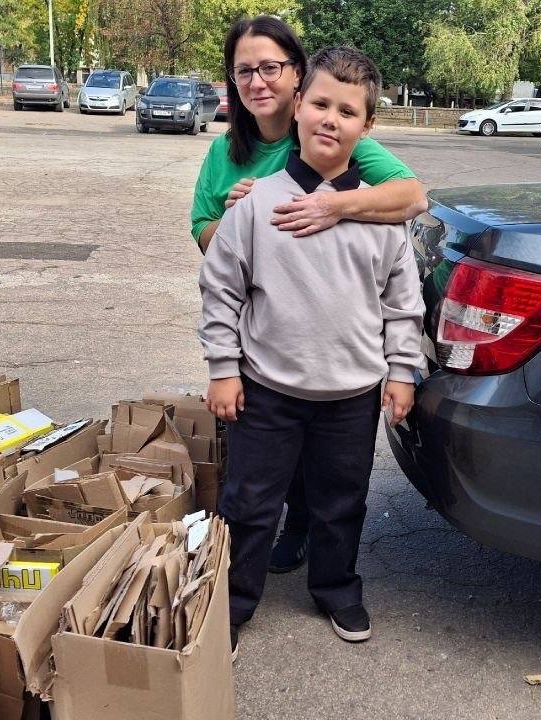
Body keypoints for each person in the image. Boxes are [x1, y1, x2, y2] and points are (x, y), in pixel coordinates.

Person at [198, 46, 423, 656]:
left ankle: (336, 588)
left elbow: (402, 304)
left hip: (351, 396)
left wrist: (403, 371)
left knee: (340, 501)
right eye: (321, 103)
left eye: (347, 112)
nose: (331, 119)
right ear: (298, 106)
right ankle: (233, 602)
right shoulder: (257, 205)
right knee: (249, 502)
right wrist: (224, 370)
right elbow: (221, 290)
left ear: (367, 126)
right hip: (265, 391)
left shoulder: (381, 217)